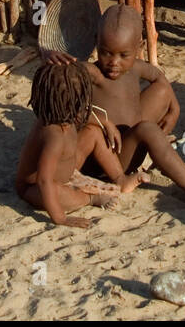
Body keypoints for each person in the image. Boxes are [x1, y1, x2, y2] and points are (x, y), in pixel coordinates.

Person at [45, 5, 185, 206]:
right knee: (147, 129)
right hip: (107, 160)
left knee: (162, 91)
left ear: (139, 47)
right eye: (105, 53)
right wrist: (50, 57)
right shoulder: (94, 74)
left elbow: (159, 77)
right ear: (96, 42)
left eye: (123, 55)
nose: (114, 62)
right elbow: (63, 76)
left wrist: (175, 109)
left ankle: (161, 153)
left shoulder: (136, 68)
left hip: (129, 144)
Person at [15, 61, 146, 229]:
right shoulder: (53, 135)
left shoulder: (66, 115)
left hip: (66, 171)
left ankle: (120, 179)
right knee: (55, 192)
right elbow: (44, 180)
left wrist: (106, 123)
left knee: (93, 132)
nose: (84, 106)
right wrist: (60, 219)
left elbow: (86, 117)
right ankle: (90, 198)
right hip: (34, 187)